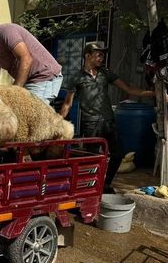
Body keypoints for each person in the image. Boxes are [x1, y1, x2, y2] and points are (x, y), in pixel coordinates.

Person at [60, 41, 155, 193]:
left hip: (108, 121)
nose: (102, 57)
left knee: (118, 155)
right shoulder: (77, 77)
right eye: (99, 54)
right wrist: (58, 123)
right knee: (91, 159)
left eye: (103, 55)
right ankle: (88, 189)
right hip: (90, 124)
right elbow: (67, 104)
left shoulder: (106, 73)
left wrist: (153, 93)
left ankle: (105, 184)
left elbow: (129, 89)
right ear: (88, 55)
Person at [0, 12, 63, 105]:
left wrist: (14, 92)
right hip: (29, 81)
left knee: (29, 118)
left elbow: (26, 59)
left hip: (44, 77)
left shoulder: (6, 32)